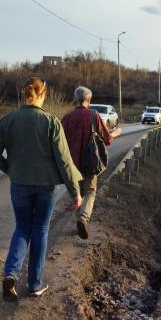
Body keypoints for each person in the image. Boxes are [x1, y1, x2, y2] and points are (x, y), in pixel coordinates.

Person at [0, 77, 82, 302]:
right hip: (46, 188)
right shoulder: (50, 122)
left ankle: (11, 274)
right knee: (39, 230)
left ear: (25, 94)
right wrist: (75, 191)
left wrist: (12, 170)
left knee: (22, 228)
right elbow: (64, 161)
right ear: (44, 95)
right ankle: (35, 284)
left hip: (19, 185)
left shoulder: (8, 120)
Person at [61, 86, 121, 239]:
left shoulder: (67, 118)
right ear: (89, 100)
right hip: (90, 163)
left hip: (71, 165)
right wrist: (115, 133)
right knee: (90, 192)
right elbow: (107, 140)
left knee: (77, 194)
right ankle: (83, 219)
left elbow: (60, 143)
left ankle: (78, 223)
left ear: (76, 99)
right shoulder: (94, 115)